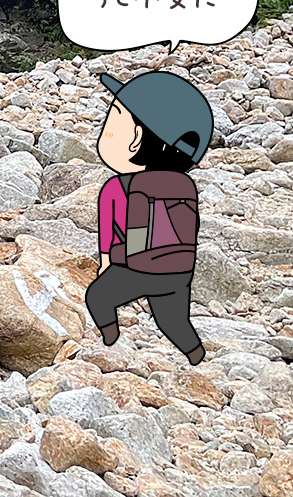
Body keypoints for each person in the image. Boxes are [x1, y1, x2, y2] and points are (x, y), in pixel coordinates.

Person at [86, 69, 213, 365]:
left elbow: (108, 235)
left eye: (113, 118)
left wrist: (107, 264)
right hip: (179, 269)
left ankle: (109, 338)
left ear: (136, 139)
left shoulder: (117, 186)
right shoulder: (186, 184)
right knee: (172, 321)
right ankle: (197, 355)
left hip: (139, 268)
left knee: (98, 297)